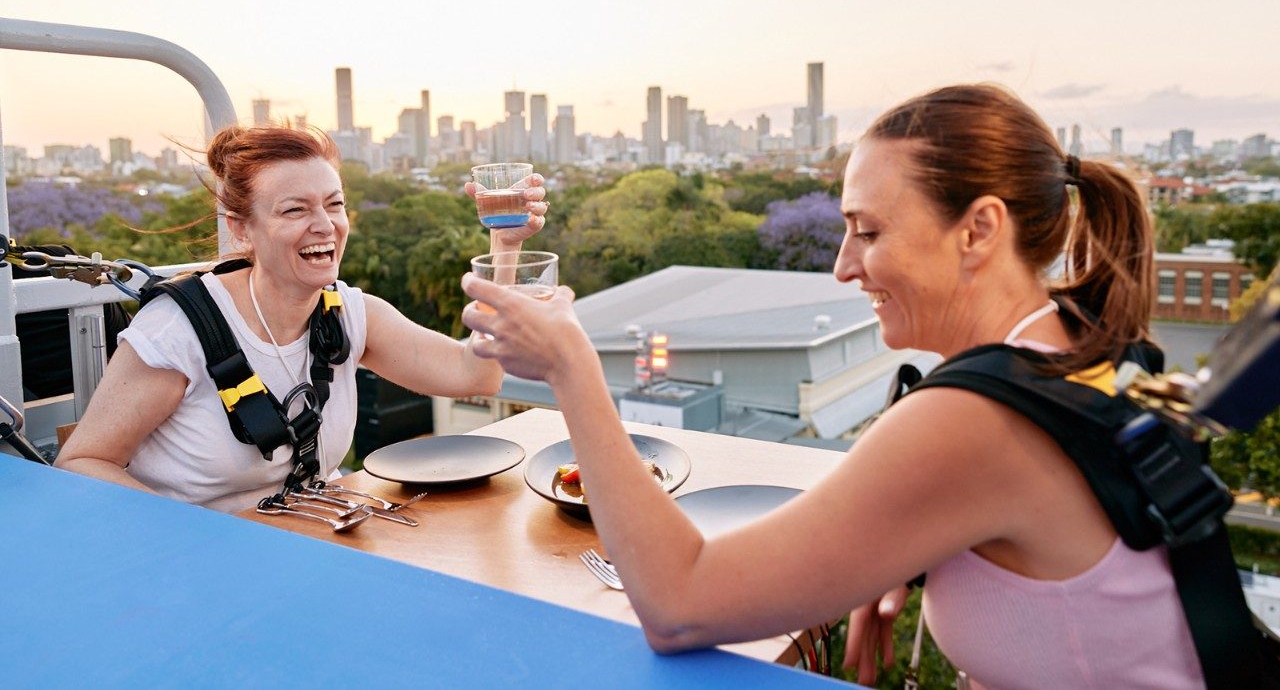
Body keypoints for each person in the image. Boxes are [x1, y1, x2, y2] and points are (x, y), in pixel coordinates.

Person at [460, 84, 1205, 688]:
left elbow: (679, 606)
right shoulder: (1078, 340)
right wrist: (906, 558)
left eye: (870, 232)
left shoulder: (976, 420)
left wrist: (573, 369)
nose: (843, 267)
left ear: (979, 230)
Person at [56, 125, 548, 513]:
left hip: (314, 538)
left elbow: (477, 373)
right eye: (295, 210)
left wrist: (505, 247)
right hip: (199, 563)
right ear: (242, 229)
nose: (324, 225)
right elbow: (81, 462)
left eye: (334, 205)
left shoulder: (350, 314)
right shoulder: (180, 329)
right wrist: (195, 536)